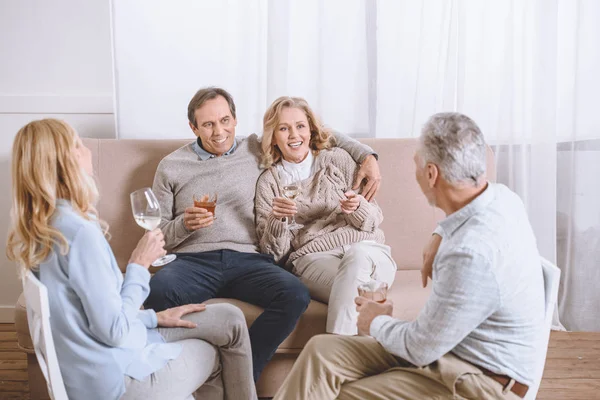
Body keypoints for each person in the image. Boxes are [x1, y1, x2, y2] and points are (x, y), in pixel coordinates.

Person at [273, 112, 545, 400]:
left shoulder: (467, 254)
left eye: (416, 163)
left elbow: (420, 347)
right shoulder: (503, 198)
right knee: (321, 350)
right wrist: (439, 233)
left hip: (478, 380)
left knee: (341, 393)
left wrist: (374, 321)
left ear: (431, 174)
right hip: (454, 353)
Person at [6, 119, 257, 400]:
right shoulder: (78, 234)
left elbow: (92, 316)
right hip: (117, 379)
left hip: (106, 358)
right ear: (68, 159)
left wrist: (153, 317)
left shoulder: (46, 226)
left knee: (230, 318)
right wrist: (138, 264)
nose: (87, 150)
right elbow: (113, 331)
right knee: (216, 348)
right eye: (79, 144)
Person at [144, 87, 381, 380]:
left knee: (295, 294)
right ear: (193, 127)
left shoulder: (254, 148)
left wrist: (368, 155)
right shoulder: (170, 167)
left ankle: (239, 375)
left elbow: (315, 132)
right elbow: (156, 236)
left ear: (235, 120)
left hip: (248, 260)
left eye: (225, 120)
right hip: (193, 262)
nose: (219, 131)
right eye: (208, 124)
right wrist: (183, 224)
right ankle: (176, 377)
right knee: (156, 291)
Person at [254, 96, 397, 336]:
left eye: (300, 126)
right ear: (273, 137)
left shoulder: (337, 160)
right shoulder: (269, 182)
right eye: (283, 128)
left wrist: (357, 207)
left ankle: (332, 355)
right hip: (313, 259)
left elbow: (373, 218)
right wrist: (277, 221)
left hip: (370, 250)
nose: (293, 135)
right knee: (367, 287)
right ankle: (349, 360)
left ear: (310, 129)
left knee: (359, 254)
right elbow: (273, 255)